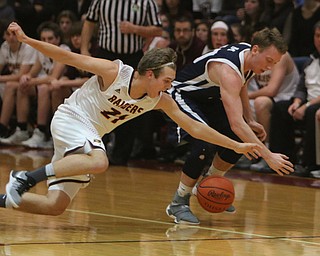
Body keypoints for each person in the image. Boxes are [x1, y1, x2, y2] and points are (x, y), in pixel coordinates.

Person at [0, 22, 261, 215]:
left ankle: (3, 198)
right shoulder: (114, 72)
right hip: (72, 118)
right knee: (100, 161)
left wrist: (236, 145)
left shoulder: (160, 99)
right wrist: (26, 39)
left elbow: (196, 127)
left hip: (88, 135)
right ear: (149, 74)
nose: (170, 86)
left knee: (55, 205)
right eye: (167, 80)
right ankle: (26, 178)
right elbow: (66, 56)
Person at [166, 27, 294, 225]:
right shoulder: (228, 71)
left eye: (274, 63)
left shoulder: (249, 57)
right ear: (256, 50)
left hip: (209, 98)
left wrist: (249, 120)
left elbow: (242, 85)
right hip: (184, 95)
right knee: (204, 144)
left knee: (241, 139)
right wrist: (268, 156)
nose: (270, 67)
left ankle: (209, 185)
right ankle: (179, 202)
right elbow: (235, 124)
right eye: (269, 61)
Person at [81, 0, 164, 165]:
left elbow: (158, 29)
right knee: (99, 101)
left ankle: (121, 155)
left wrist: (135, 29)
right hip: (105, 54)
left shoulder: (147, 2)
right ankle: (95, 150)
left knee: (128, 103)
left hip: (132, 57)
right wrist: (84, 48)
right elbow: (89, 22)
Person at [0, 21, 70, 148]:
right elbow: (33, 73)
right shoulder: (41, 51)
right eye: (43, 39)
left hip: (68, 88)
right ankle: (21, 130)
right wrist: (27, 78)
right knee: (20, 86)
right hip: (49, 87)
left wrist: (31, 80)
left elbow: (53, 77)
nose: (47, 42)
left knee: (43, 88)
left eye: (50, 38)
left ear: (58, 38)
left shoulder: (63, 49)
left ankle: (43, 132)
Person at [269, 21, 320, 177]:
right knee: (281, 108)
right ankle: (282, 161)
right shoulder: (310, 61)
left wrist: (306, 106)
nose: (319, 40)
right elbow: (301, 88)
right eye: (318, 36)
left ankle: (308, 164)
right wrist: (297, 102)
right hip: (307, 103)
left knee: (312, 112)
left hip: (315, 106)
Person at [246, 51, 300, 171]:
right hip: (267, 97)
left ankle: (267, 153)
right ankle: (247, 151)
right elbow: (243, 82)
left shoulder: (282, 56)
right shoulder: (254, 54)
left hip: (286, 98)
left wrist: (246, 96)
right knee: (239, 103)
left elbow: (271, 90)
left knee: (260, 102)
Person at [0, 21, 37, 138]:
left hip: (34, 82)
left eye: (14, 34)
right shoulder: (4, 46)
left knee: (11, 85)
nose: (11, 37)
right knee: (9, 85)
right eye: (8, 34)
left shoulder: (28, 47)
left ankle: (3, 128)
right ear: (4, 36)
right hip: (16, 82)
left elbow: (21, 75)